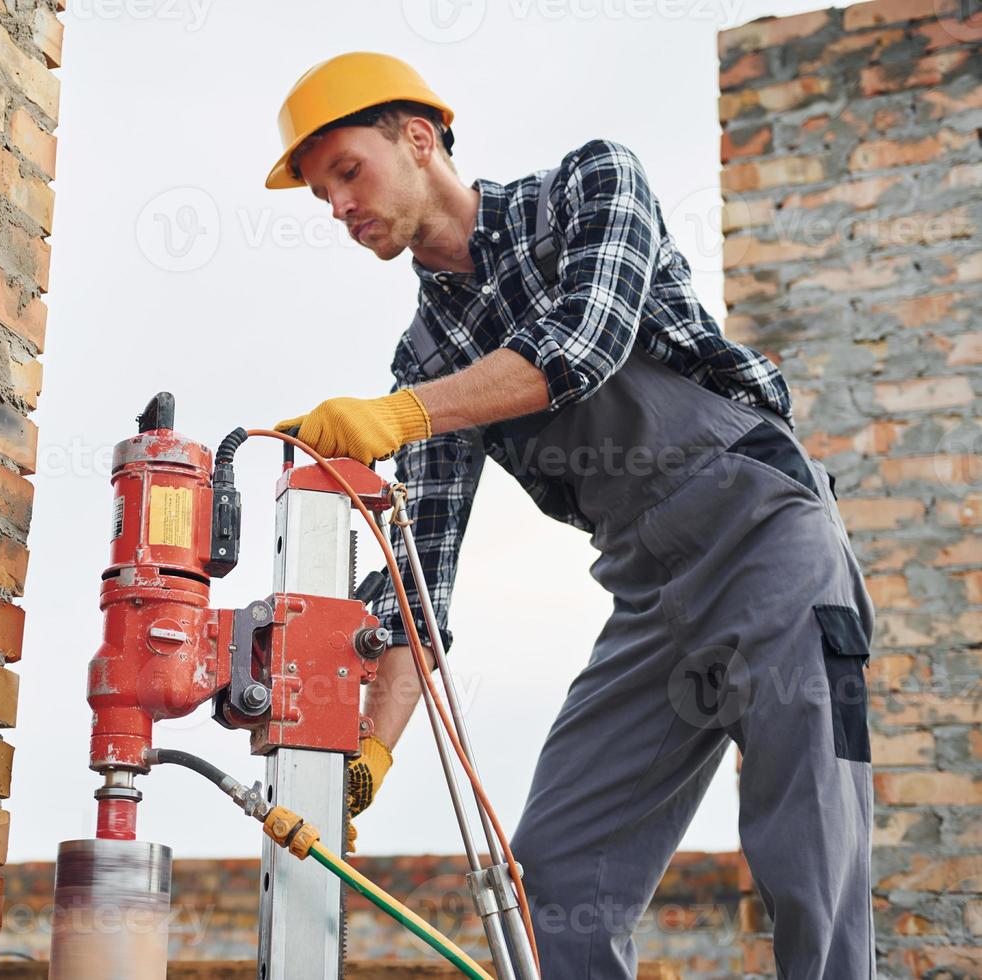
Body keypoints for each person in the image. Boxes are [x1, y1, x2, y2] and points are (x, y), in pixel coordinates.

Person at [268, 52, 877, 980]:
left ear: (419, 137)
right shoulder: (426, 352)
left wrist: (403, 415)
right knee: (556, 874)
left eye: (347, 172)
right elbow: (416, 580)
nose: (340, 207)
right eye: (321, 196)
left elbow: (583, 345)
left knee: (810, 862)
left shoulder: (592, 186)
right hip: (651, 600)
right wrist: (369, 755)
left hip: (766, 540)